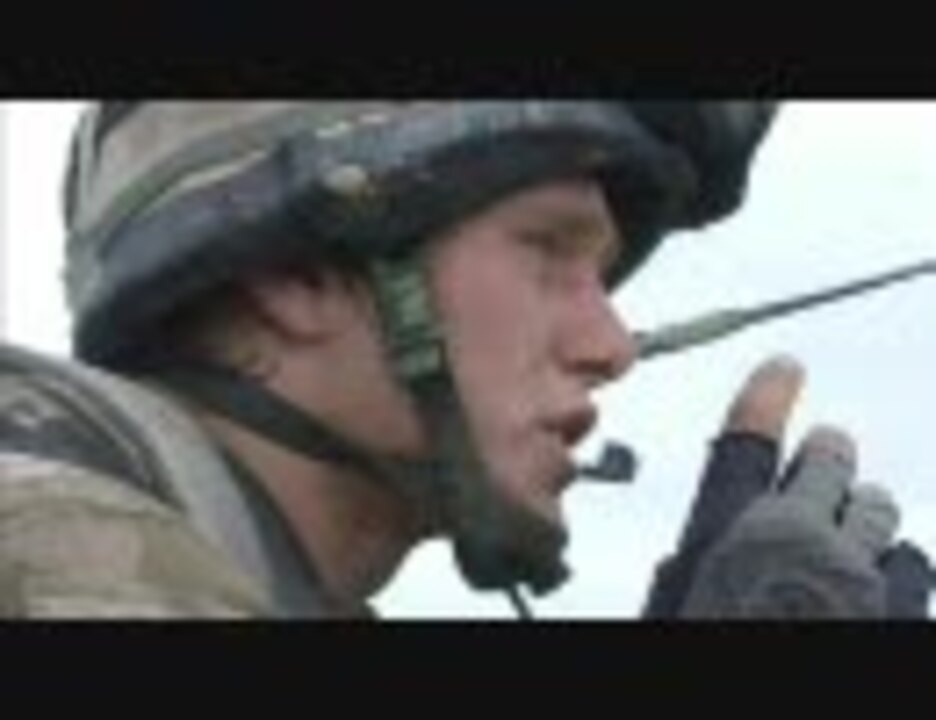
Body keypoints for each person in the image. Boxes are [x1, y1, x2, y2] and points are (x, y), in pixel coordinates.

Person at [0, 101, 930, 619]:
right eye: (548, 251)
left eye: (602, 277)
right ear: (298, 275)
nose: (610, 347)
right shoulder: (46, 538)